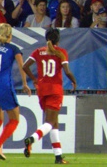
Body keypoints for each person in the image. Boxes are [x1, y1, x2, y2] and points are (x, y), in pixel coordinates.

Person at [23, 28, 77, 164]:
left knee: (54, 123)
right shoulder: (60, 52)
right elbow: (67, 71)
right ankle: (32, 138)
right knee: (50, 122)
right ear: (58, 39)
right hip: (55, 90)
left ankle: (58, 156)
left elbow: (25, 66)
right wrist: (74, 81)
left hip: (42, 90)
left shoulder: (38, 51)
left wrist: (34, 79)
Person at [0, 23, 31, 160]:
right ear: (10, 35)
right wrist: (24, 83)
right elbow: (22, 66)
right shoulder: (13, 48)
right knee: (14, 119)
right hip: (4, 86)